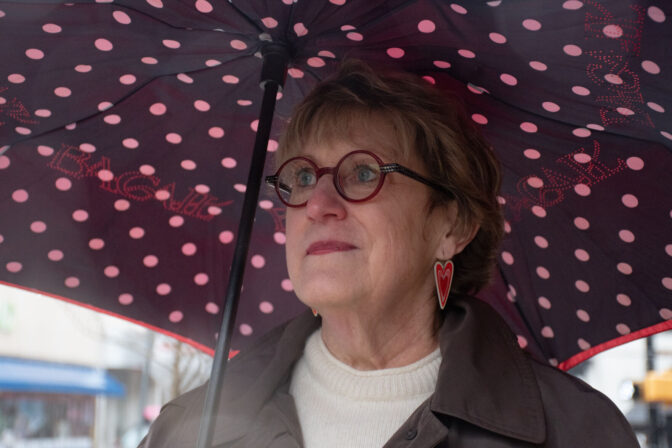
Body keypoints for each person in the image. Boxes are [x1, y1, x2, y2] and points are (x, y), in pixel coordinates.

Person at [139, 60, 639, 447]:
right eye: (302, 176)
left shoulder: (575, 431)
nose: (317, 204)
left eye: (362, 174)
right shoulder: (189, 429)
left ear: (453, 225)